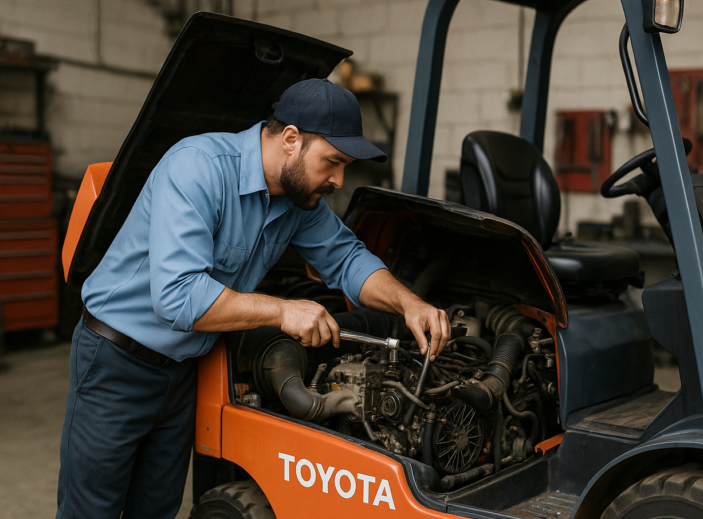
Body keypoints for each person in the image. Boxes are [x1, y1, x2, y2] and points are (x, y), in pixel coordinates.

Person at [56, 78, 450, 519]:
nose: (339, 180)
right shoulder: (198, 167)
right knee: (91, 513)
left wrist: (409, 303)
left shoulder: (298, 201)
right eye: (332, 162)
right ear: (290, 139)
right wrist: (283, 311)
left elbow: (347, 258)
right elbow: (178, 297)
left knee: (156, 511)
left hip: (183, 372)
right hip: (116, 363)